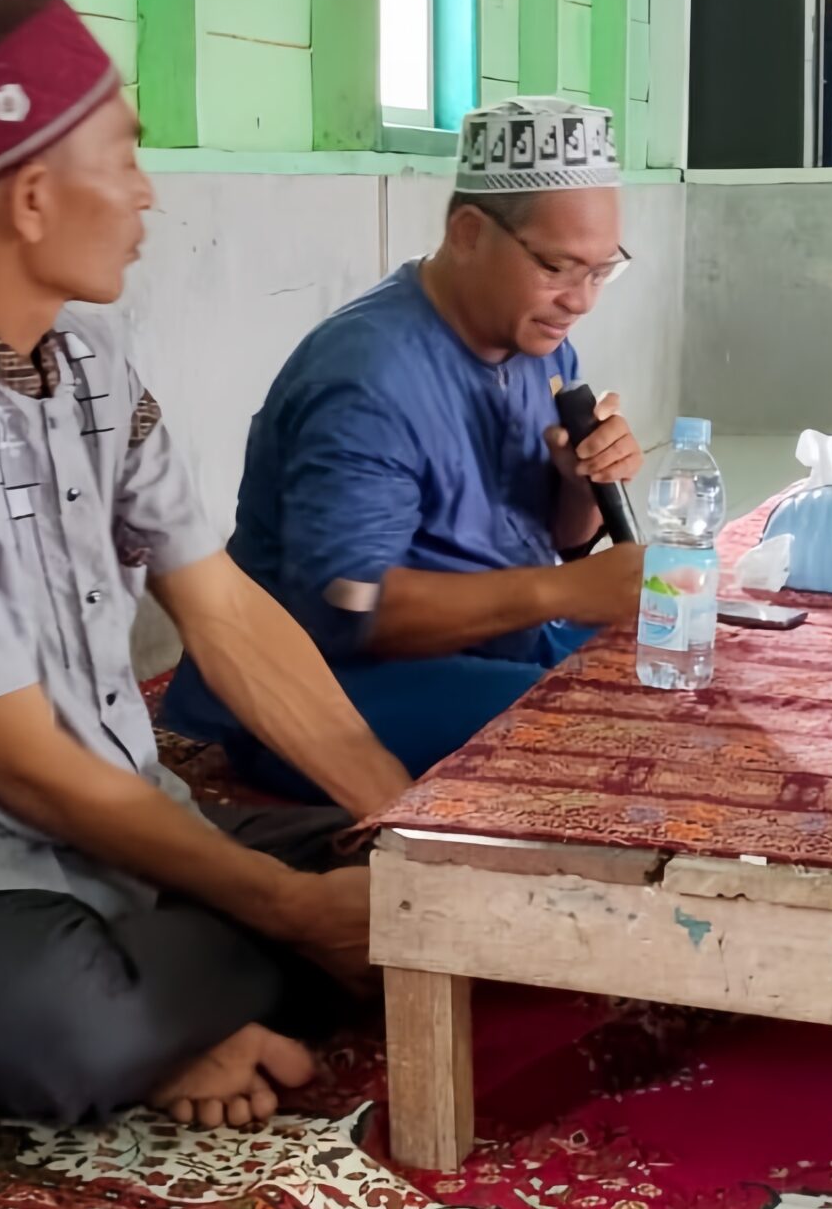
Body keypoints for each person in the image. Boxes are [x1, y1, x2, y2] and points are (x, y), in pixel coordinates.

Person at [0, 0, 413, 1131]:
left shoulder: (93, 364)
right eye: (126, 156)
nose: (148, 191)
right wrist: (294, 913)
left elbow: (224, 612)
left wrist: (407, 821)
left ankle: (186, 1003)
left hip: (126, 826)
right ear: (34, 196)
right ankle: (168, 1012)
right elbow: (22, 772)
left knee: (417, 882)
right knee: (67, 1027)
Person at [161, 97, 644, 799]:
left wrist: (581, 486)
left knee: (672, 669)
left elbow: (559, 540)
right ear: (468, 232)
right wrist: (564, 591)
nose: (582, 300)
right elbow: (347, 605)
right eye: (558, 267)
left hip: (488, 644)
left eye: (601, 271)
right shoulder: (367, 378)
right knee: (602, 734)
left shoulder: (539, 342)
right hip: (332, 684)